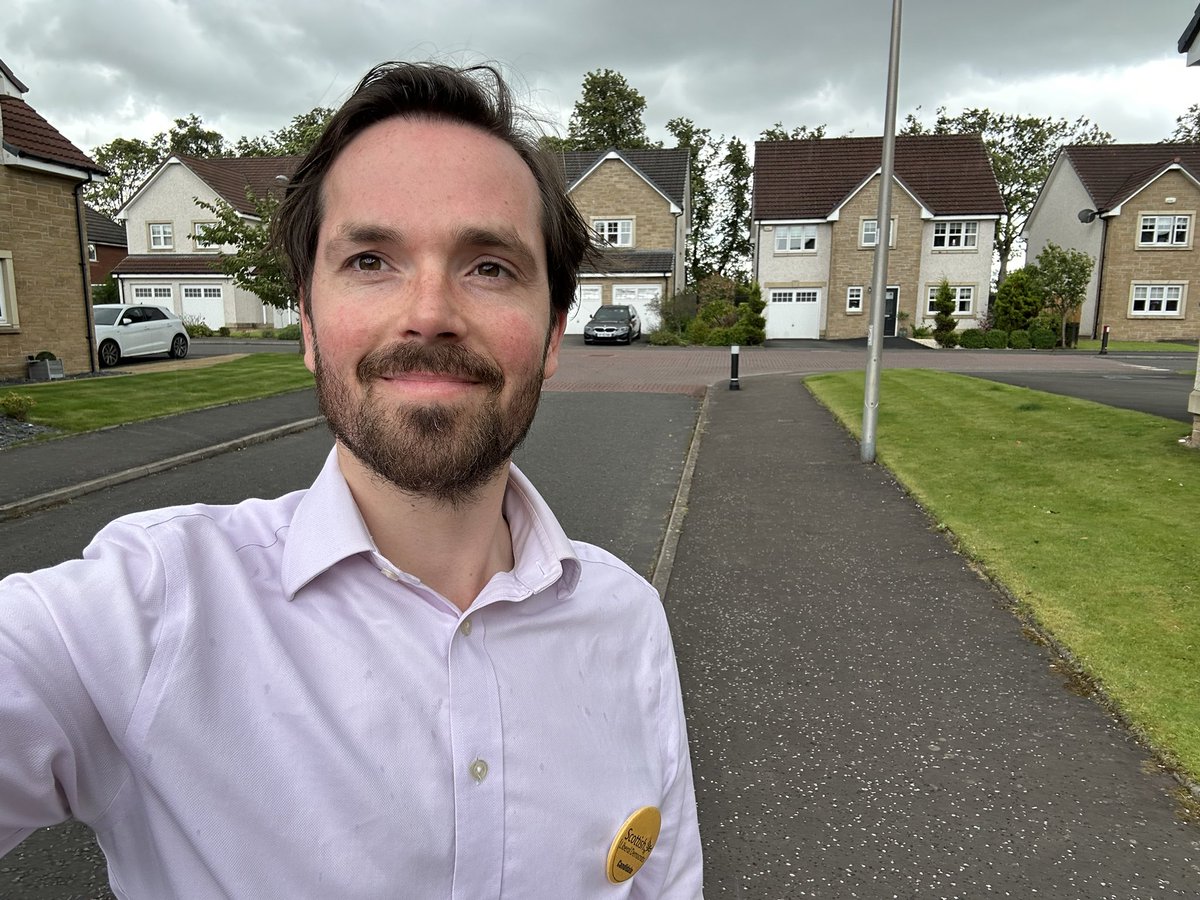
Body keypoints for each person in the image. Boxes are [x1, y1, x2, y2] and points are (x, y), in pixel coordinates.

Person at [0, 61, 702, 898]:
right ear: (308, 322)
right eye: (372, 260)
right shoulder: (144, 616)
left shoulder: (627, 621)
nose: (431, 310)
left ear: (553, 334)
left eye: (490, 267)